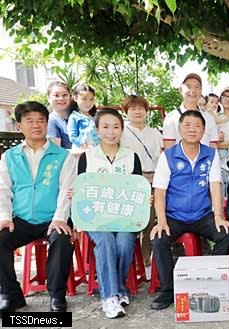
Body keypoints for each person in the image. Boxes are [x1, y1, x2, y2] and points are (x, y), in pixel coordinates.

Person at [150, 110, 229, 310]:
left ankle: (210, 279)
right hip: (174, 216)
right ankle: (168, 290)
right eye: (187, 125)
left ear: (204, 130)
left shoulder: (210, 154)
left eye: (197, 126)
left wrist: (218, 216)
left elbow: (215, 185)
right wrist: (161, 221)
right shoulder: (168, 156)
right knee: (159, 239)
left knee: (225, 233)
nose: (192, 129)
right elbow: (159, 192)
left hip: (202, 215)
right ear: (179, 129)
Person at [0, 101, 76, 313]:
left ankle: (57, 296)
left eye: (40, 120)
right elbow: (3, 190)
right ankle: (11, 294)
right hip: (21, 218)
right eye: (29, 121)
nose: (36, 125)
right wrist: (4, 216)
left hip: (53, 217)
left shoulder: (63, 156)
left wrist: (60, 218)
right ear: (19, 126)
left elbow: (66, 190)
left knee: (61, 240)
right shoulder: (9, 157)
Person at [77, 109, 142, 318]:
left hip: (124, 219)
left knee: (123, 242)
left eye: (115, 127)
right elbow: (82, 190)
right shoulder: (87, 157)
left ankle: (118, 288)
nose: (111, 132)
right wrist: (76, 192)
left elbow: (136, 190)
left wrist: (144, 198)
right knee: (105, 240)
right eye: (105, 127)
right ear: (97, 129)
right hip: (96, 220)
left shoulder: (132, 157)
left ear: (122, 130)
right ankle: (110, 297)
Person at [119, 95, 163, 268]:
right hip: (131, 183)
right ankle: (130, 263)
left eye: (141, 108)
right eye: (133, 109)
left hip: (154, 181)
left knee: (149, 221)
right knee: (132, 222)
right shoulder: (122, 132)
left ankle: (146, 262)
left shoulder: (154, 133)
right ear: (126, 112)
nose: (137, 112)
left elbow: (160, 158)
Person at [162, 73, 219, 149]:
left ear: (201, 91)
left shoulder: (209, 118)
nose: (193, 90)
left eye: (197, 87)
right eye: (188, 86)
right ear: (180, 90)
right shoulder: (171, 118)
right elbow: (168, 150)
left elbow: (213, 147)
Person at [67, 84, 99, 151]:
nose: (88, 103)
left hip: (96, 150)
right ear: (75, 98)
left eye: (91, 99)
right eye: (84, 99)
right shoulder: (74, 117)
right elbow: (72, 137)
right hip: (81, 151)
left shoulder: (95, 116)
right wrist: (82, 145)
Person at [47, 81, 73, 149]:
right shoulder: (51, 121)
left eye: (65, 95)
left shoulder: (77, 117)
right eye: (56, 95)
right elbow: (55, 151)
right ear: (49, 99)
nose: (61, 98)